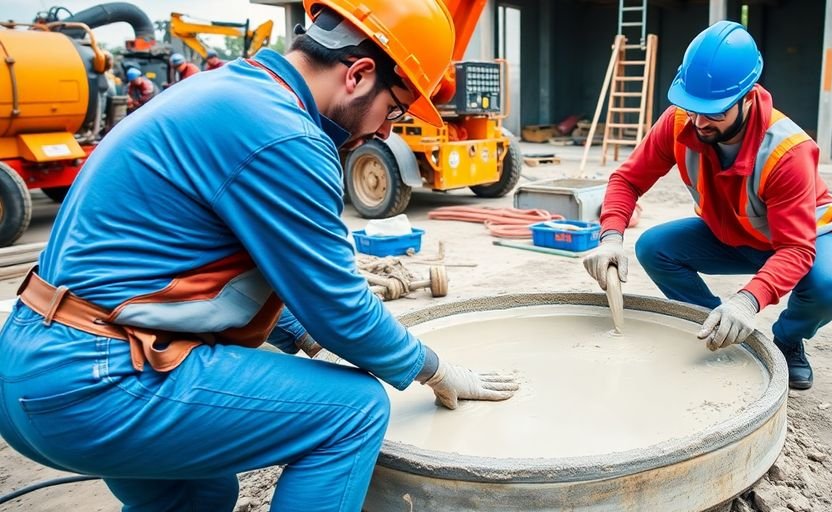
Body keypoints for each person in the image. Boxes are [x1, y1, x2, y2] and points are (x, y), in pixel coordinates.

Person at [0, 1, 517, 511]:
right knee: (351, 412)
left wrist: (302, 330)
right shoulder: (287, 136)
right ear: (358, 74)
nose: (385, 131)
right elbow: (342, 309)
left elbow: (228, 267)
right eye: (396, 109)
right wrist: (432, 369)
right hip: (95, 382)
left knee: (200, 493)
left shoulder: (232, 92)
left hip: (34, 365)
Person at [583, 21, 832, 390]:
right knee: (654, 247)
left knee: (829, 288)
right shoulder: (682, 120)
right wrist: (611, 236)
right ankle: (715, 328)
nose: (698, 121)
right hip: (733, 232)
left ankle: (789, 342)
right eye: (692, 107)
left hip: (802, 240)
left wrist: (747, 302)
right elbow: (627, 180)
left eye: (713, 112)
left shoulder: (787, 151)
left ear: (747, 96)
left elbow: (795, 248)